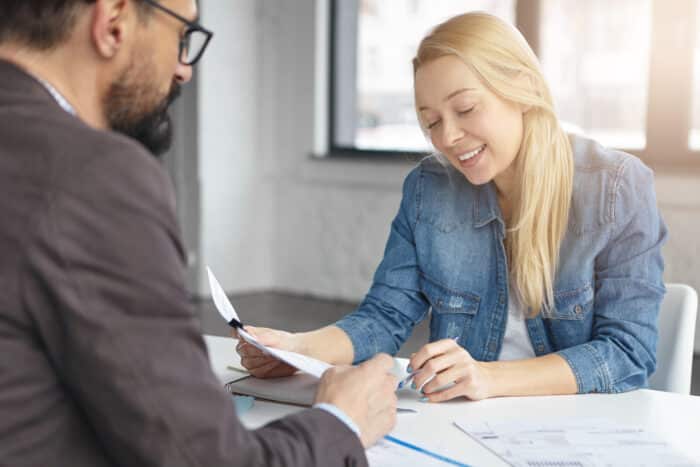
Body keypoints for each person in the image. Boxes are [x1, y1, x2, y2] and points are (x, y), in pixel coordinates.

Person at [0, 1, 398, 466]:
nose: (184, 69)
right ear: (113, 22)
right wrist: (341, 421)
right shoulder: (92, 175)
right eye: (181, 36)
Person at [237, 12, 667, 402]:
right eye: (432, 122)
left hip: (576, 436)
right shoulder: (429, 188)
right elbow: (385, 316)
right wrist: (296, 349)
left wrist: (489, 378)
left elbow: (628, 354)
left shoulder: (615, 188)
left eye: (465, 108)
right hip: (462, 429)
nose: (449, 137)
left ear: (524, 89)